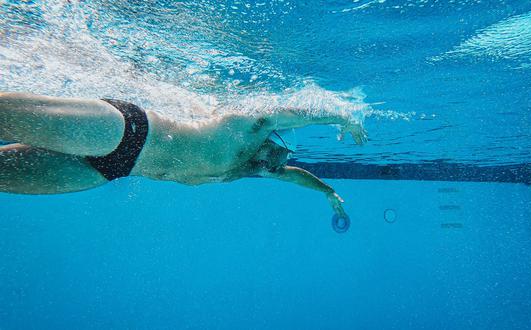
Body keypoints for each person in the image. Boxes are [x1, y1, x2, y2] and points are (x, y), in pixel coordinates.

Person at [0, 92, 367, 221]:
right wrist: (340, 115)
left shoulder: (244, 168)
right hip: (127, 131)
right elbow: (276, 113)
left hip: (113, 169)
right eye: (280, 152)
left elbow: (293, 174)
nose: (276, 163)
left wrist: (327, 192)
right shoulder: (244, 128)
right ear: (271, 141)